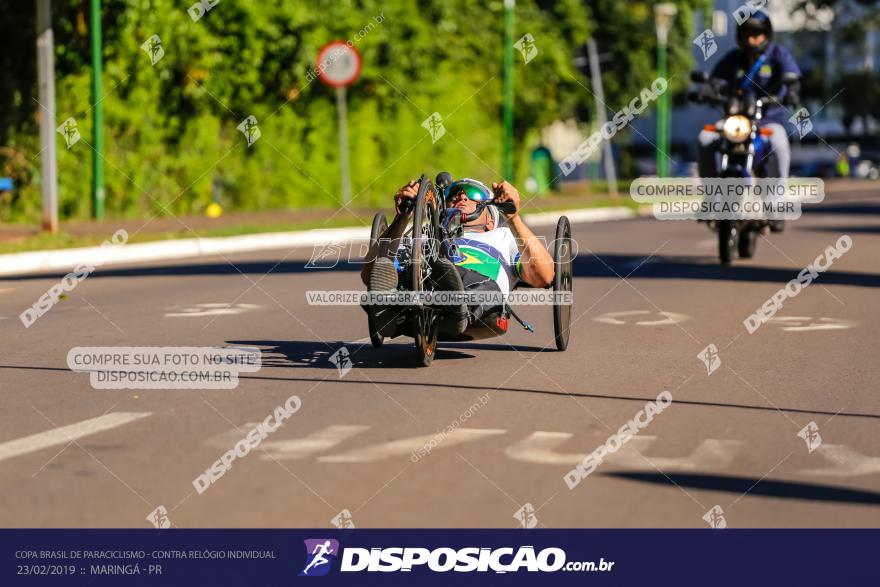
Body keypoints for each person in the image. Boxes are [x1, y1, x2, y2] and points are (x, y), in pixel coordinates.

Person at [360, 177, 554, 338]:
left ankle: (456, 303)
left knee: (466, 280)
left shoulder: (502, 236)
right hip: (422, 278)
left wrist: (514, 218)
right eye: (453, 195)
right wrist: (403, 217)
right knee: (397, 267)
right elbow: (370, 274)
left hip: (477, 287)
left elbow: (543, 276)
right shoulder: (422, 236)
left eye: (473, 194)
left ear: (490, 221)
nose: (461, 195)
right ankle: (391, 310)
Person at [697, 10, 802, 232]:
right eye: (749, 34)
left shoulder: (778, 55)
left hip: (767, 121)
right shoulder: (734, 59)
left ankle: (775, 205)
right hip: (735, 122)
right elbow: (716, 80)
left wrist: (791, 91)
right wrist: (707, 89)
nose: (754, 38)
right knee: (705, 138)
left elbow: (792, 77)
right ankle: (709, 198)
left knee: (779, 144)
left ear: (767, 34)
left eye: (759, 33)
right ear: (741, 36)